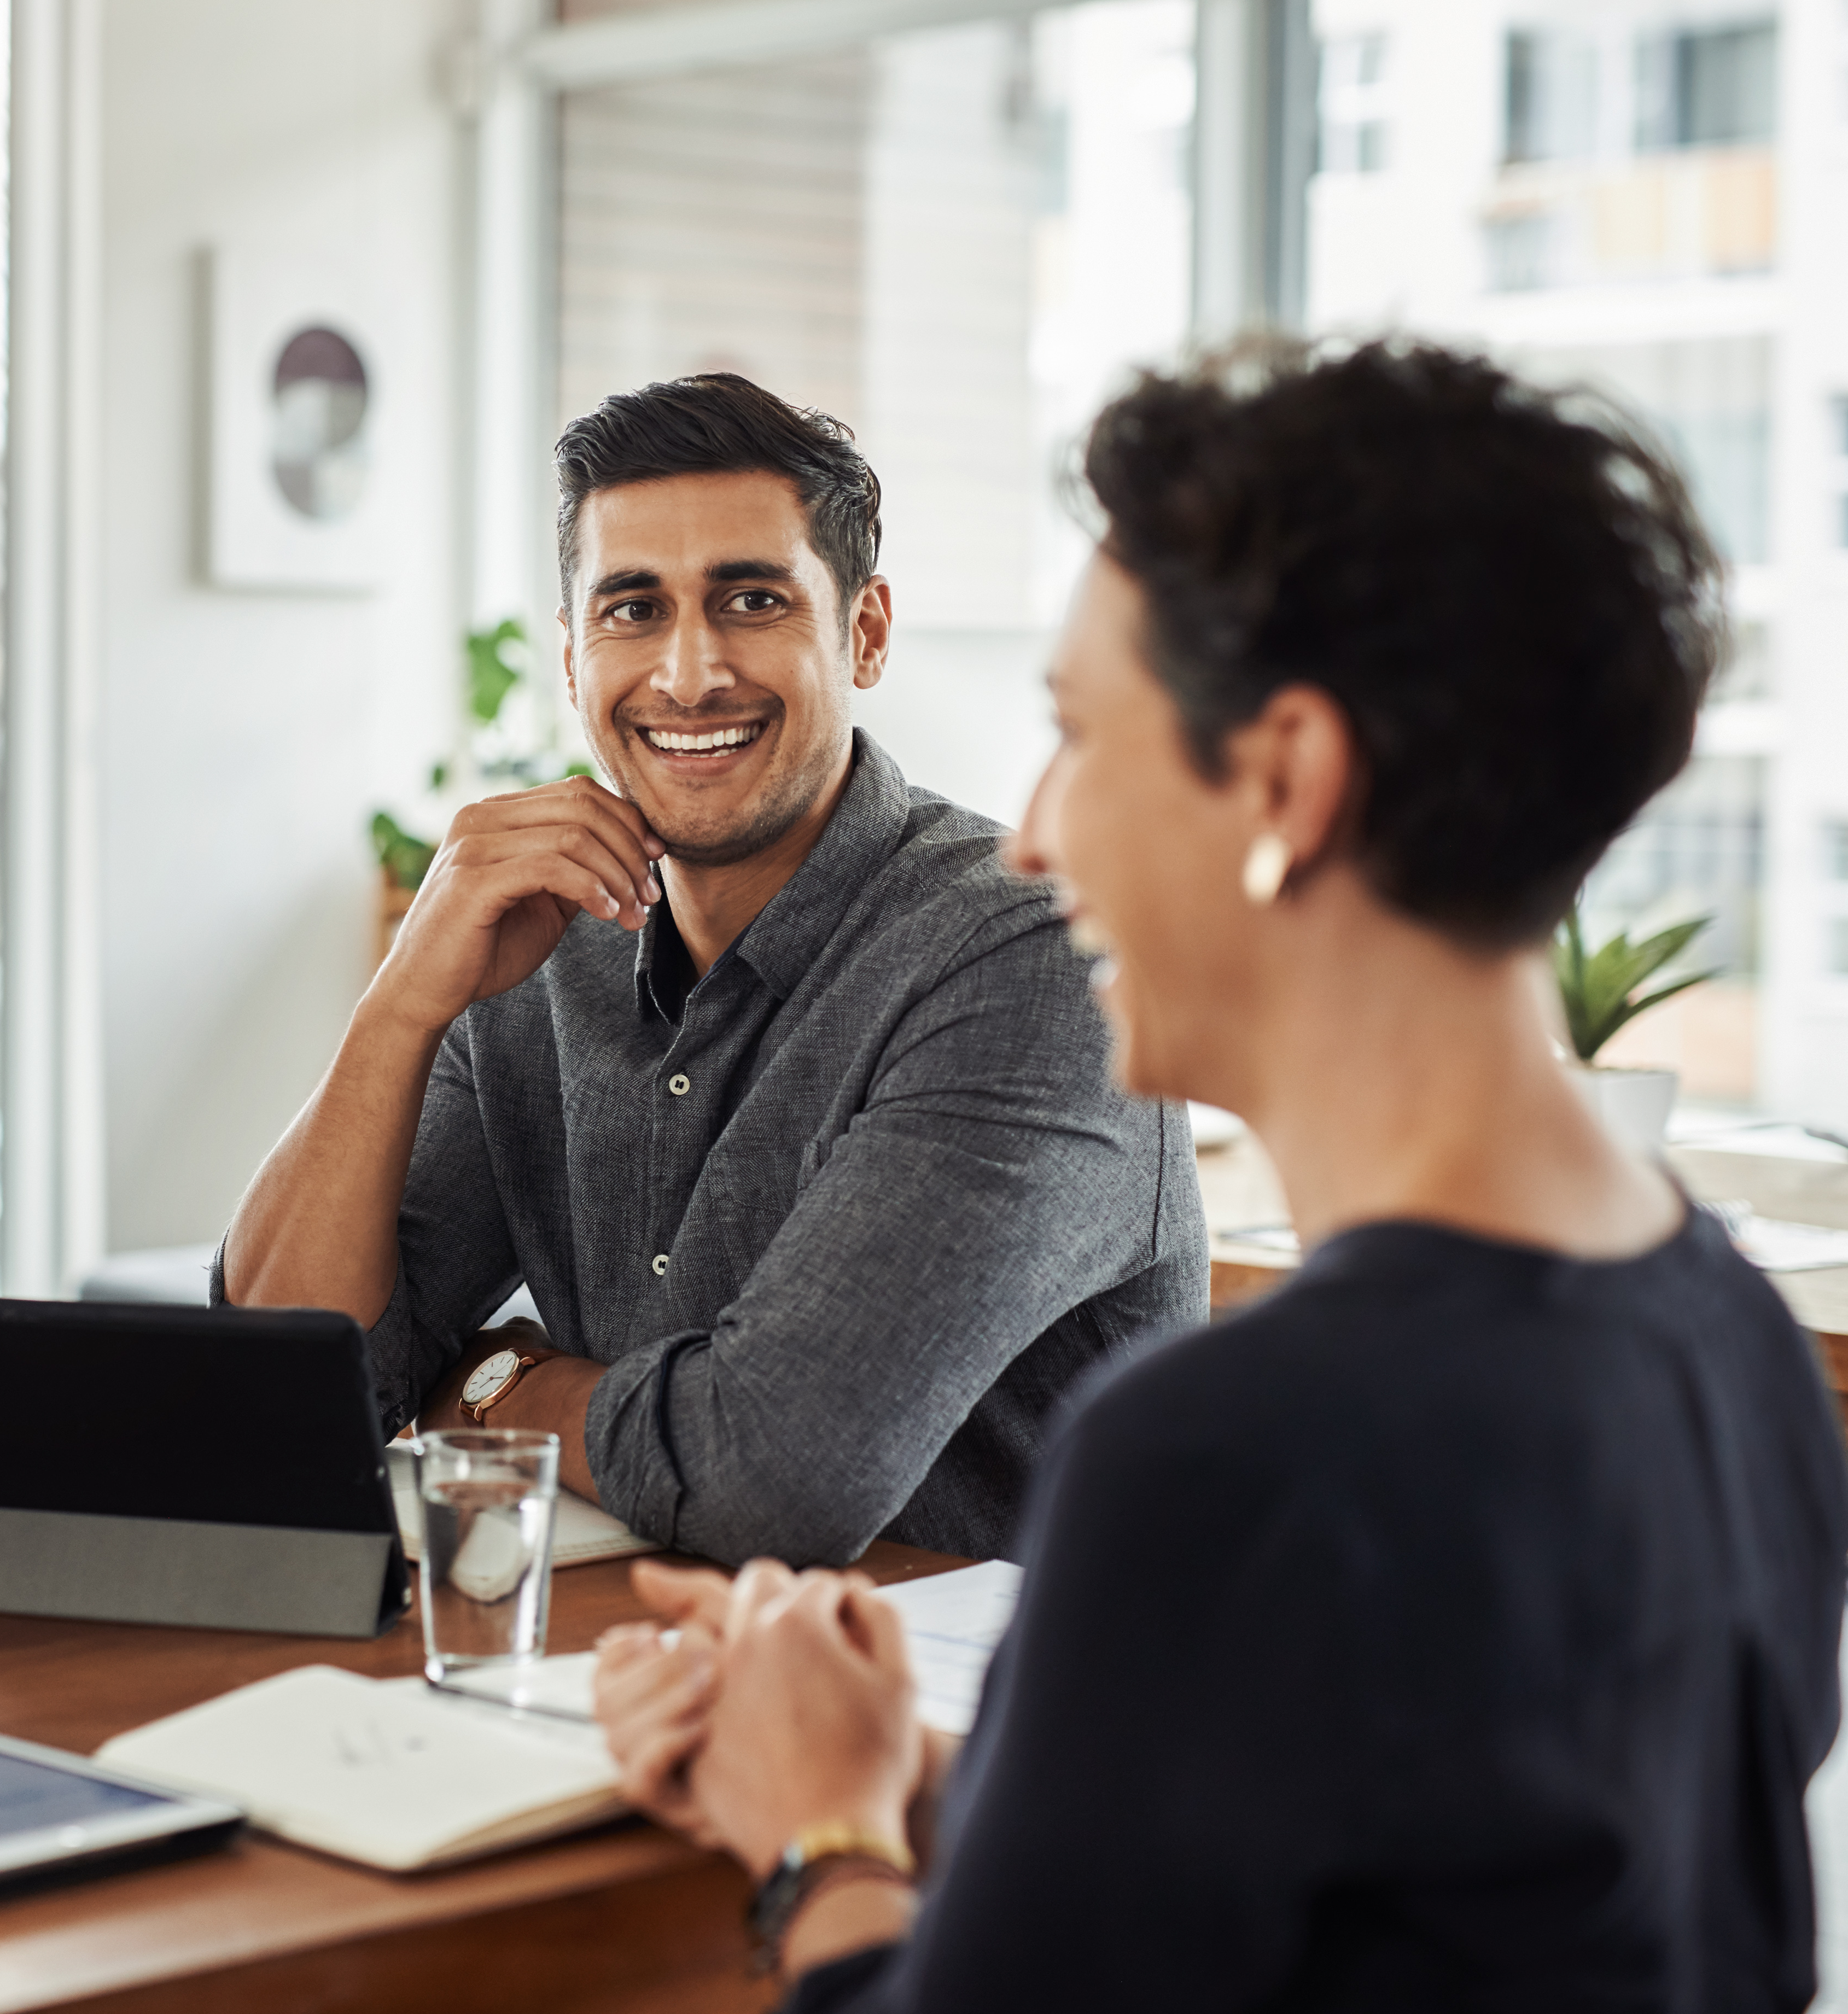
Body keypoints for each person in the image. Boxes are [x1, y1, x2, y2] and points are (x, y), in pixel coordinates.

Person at [594, 339, 1848, 2008]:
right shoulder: (1727, 1344)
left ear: (1282, 782)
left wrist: (820, 1827)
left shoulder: (1225, 1462)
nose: (1032, 834)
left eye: (1077, 735)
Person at [222, 373, 1206, 1567]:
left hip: (968, 1727)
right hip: (631, 1673)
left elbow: (773, 1476)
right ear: (575, 655)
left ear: (865, 631)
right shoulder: (541, 945)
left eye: (749, 599)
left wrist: (495, 1385)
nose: (687, 675)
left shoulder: (1023, 960)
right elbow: (279, 1379)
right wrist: (401, 1005)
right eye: (631, 610)